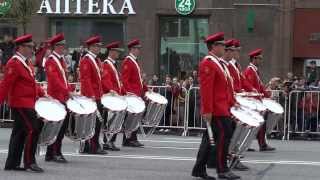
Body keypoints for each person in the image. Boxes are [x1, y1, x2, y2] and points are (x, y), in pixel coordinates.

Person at [192, 32, 240, 180]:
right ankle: (222, 169)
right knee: (223, 139)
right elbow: (207, 90)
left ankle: (199, 169)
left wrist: (232, 102)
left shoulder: (217, 63)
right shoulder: (208, 63)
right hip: (216, 110)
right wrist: (207, 110)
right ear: (214, 46)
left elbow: (224, 88)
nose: (224, 48)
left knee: (209, 140)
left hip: (221, 108)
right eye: (222, 45)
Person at [0, 34, 45, 172]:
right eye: (30, 47)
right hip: (20, 103)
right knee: (33, 129)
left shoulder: (26, 63)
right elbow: (5, 84)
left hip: (27, 103)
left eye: (33, 47)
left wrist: (44, 94)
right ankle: (29, 162)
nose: (33, 49)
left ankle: (12, 164)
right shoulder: (14, 63)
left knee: (19, 133)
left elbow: (32, 84)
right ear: (20, 47)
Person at [44, 33, 75, 163]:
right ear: (56, 46)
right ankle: (55, 152)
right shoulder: (51, 60)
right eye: (61, 45)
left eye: (63, 45)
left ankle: (51, 153)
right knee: (58, 127)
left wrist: (69, 90)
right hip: (56, 98)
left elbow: (63, 79)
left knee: (60, 127)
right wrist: (67, 91)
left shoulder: (60, 60)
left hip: (62, 97)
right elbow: (55, 81)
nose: (63, 47)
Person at [79, 35, 108, 155]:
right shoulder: (86, 59)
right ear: (91, 47)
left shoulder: (96, 60)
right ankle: (93, 146)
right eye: (96, 46)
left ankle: (89, 145)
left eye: (99, 46)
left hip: (97, 94)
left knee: (95, 122)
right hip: (91, 96)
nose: (98, 48)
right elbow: (86, 79)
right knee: (94, 122)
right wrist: (91, 95)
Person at [243, 49, 275, 151]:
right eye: (259, 58)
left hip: (257, 101)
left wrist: (267, 97)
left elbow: (260, 87)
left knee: (260, 123)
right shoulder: (249, 71)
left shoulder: (254, 70)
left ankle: (262, 143)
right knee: (251, 124)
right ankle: (248, 144)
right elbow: (251, 88)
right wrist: (260, 99)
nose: (261, 60)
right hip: (253, 102)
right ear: (254, 59)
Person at [121, 39, 148, 147]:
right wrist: (130, 93)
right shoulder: (128, 61)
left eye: (138, 49)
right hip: (132, 95)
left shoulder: (134, 61)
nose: (138, 51)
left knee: (135, 117)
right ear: (131, 49)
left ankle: (131, 138)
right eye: (136, 49)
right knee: (132, 117)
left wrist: (146, 89)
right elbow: (125, 80)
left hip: (137, 94)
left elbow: (138, 80)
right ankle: (129, 139)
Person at [101, 41, 124, 151]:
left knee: (115, 120)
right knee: (109, 120)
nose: (118, 54)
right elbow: (106, 80)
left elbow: (117, 81)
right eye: (116, 51)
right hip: (110, 96)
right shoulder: (106, 64)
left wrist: (123, 91)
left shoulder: (113, 64)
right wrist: (112, 90)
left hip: (115, 95)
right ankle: (107, 141)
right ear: (111, 52)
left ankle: (111, 141)